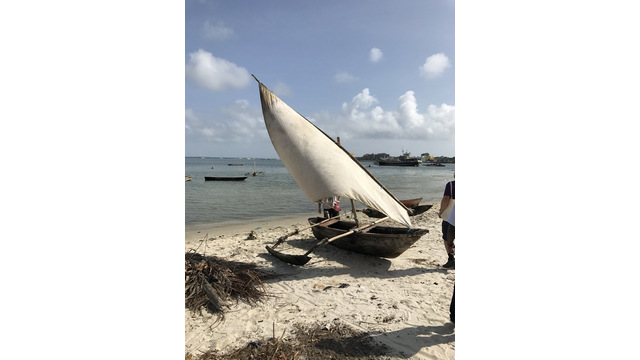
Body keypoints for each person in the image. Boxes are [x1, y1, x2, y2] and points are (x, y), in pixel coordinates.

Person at [438, 177, 455, 268]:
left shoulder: (451, 185)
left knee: (447, 238)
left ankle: (451, 259)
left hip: (450, 216)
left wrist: (441, 211)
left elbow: (445, 199)